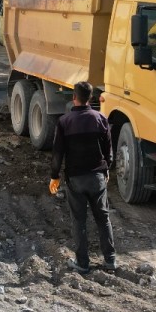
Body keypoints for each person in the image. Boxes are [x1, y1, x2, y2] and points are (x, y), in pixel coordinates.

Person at [49, 80, 116, 275]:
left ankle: (82, 263)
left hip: (75, 178)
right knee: (103, 219)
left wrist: (54, 176)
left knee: (79, 221)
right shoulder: (101, 119)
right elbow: (108, 151)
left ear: (74, 98)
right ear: (91, 98)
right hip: (97, 177)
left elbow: (57, 153)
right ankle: (110, 261)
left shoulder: (64, 122)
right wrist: (106, 170)